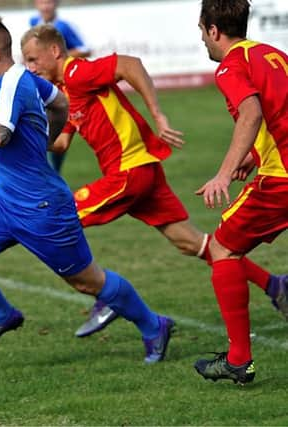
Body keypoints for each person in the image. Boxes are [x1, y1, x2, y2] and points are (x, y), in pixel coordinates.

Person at [0, 16, 174, 364]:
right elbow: (60, 102)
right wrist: (44, 140)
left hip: (42, 208)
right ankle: (3, 314)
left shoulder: (11, 85)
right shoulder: (27, 80)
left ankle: (154, 326)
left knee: (89, 282)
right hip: (4, 200)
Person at [20, 25, 287, 340]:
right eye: (26, 62)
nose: (30, 68)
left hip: (129, 172)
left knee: (57, 219)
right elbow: (61, 143)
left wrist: (158, 115)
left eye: (33, 59)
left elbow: (129, 64)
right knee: (196, 244)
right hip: (143, 172)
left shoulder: (78, 71)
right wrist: (24, 134)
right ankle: (275, 285)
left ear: (54, 52)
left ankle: (107, 296)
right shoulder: (66, 90)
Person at [191, 0, 288, 385]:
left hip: (282, 178)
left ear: (214, 30)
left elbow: (252, 113)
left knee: (222, 249)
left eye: (202, 30)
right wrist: (253, 152)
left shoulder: (231, 65)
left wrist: (223, 174)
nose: (202, 39)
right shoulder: (271, 54)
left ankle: (238, 359)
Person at [29, 0, 92, 174]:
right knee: (42, 125)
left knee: (58, 128)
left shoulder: (63, 27)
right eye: (42, 2)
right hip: (44, 85)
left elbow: (85, 48)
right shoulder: (33, 23)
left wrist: (55, 57)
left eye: (49, 2)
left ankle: (53, 172)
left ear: (56, 4)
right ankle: (48, 173)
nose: (45, 7)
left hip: (63, 86)